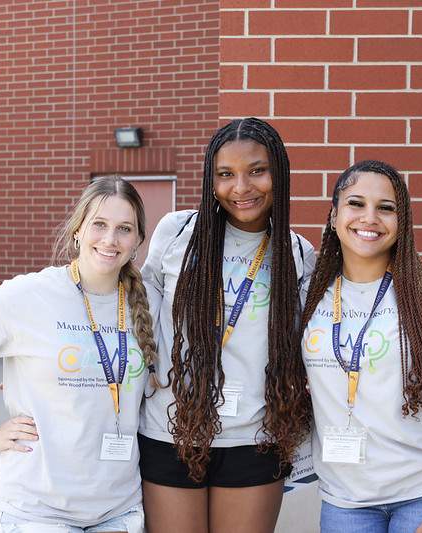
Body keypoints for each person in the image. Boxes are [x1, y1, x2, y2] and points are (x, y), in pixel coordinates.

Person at [0, 176, 161, 533]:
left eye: (124, 229)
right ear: (78, 230)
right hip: (38, 509)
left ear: (138, 241)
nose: (110, 239)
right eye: (99, 224)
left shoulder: (148, 303)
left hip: (118, 508)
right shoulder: (29, 295)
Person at [138, 117, 315, 532]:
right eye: (226, 174)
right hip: (170, 430)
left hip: (254, 439)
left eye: (257, 170)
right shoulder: (178, 232)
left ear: (278, 173)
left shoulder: (296, 252)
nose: (241, 187)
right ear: (210, 179)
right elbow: (133, 313)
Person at [299, 160, 422, 533]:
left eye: (386, 208)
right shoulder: (310, 294)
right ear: (333, 215)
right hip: (345, 499)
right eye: (356, 204)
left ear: (403, 223)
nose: (369, 218)